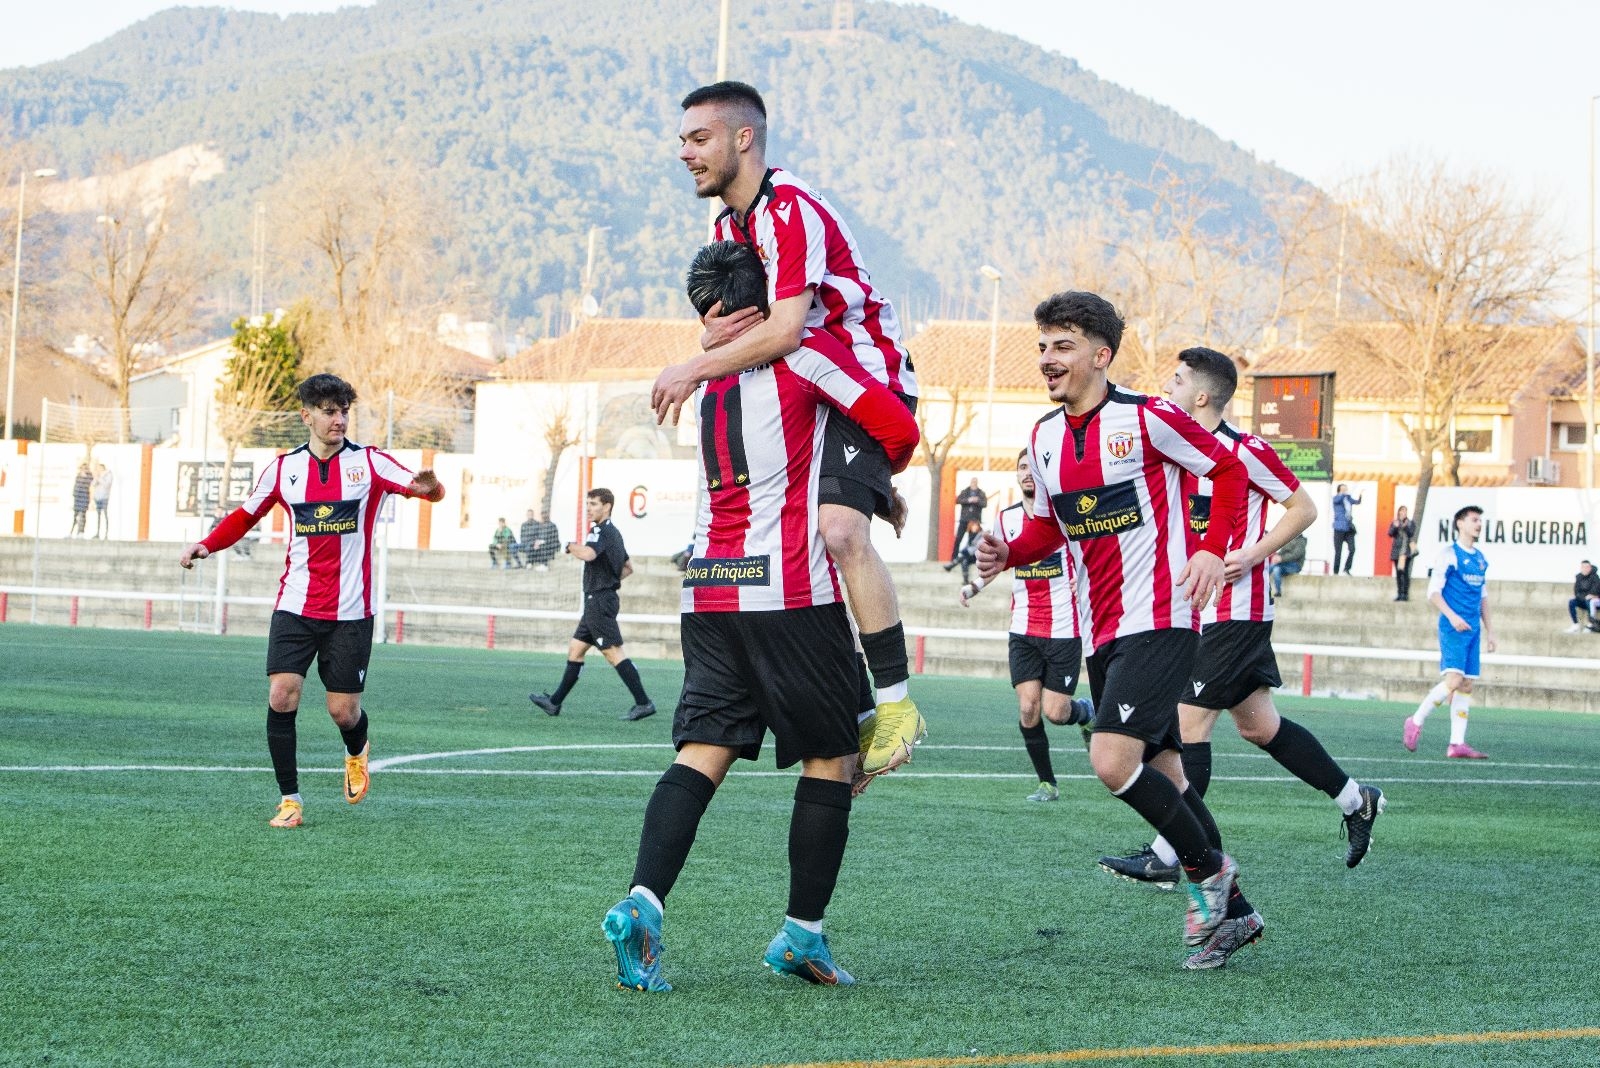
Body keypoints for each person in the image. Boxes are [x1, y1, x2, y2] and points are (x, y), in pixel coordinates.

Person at [603, 239, 919, 992]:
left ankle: (642, 904)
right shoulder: (804, 358)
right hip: (788, 594)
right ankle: (801, 936)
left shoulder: (707, 381)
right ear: (774, 299)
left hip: (709, 587)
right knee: (833, 760)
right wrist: (876, 479)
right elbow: (896, 429)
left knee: (702, 752)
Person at [975, 291, 1260, 971]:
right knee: (1169, 775)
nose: (1048, 358)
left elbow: (1227, 470)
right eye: (1043, 345)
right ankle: (1236, 916)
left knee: (1111, 760)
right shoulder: (1043, 438)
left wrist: (1212, 547)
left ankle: (1208, 876)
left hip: (1159, 614)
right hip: (1103, 628)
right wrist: (1008, 552)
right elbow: (1051, 523)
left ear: (1101, 356)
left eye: (1063, 345)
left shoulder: (1150, 418)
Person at [652, 81, 925, 781]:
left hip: (863, 379)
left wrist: (692, 366)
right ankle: (854, 710)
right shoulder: (725, 230)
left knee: (837, 531)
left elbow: (785, 329)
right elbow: (747, 326)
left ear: (744, 138)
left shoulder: (789, 210)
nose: (684, 152)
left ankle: (895, 709)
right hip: (805, 384)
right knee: (798, 547)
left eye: (699, 138)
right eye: (682, 139)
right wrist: (710, 335)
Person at [1098, 347, 1385, 902]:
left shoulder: (1244, 450)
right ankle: (1356, 800)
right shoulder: (1172, 448)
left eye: (1177, 380)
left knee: (1188, 726)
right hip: (1194, 611)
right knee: (1258, 726)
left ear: (1201, 396)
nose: (1167, 385)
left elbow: (1303, 508)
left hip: (1235, 610)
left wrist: (1252, 554)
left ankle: (1168, 855)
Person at [178, 373, 446, 829]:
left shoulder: (371, 463)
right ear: (306, 416)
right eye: (328, 411)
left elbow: (423, 488)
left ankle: (357, 748)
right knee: (282, 694)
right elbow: (246, 515)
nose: (338, 419)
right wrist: (207, 544)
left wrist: (431, 488)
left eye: (344, 411)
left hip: (350, 612)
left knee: (342, 710)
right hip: (295, 605)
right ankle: (290, 800)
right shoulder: (284, 469)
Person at [958, 449, 1094, 802]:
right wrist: (974, 585)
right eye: (1022, 468)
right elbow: (997, 565)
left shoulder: (1066, 517)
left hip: (1064, 628)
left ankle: (1085, 712)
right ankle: (1047, 783)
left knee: (1056, 712)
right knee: (1028, 708)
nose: (1027, 473)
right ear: (1016, 476)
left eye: (1033, 468)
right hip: (1023, 628)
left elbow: (1089, 558)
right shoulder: (1005, 519)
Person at [529, 489, 657, 721]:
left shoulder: (600, 531)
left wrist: (569, 546)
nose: (589, 508)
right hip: (599, 600)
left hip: (598, 601)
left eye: (594, 504)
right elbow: (627, 568)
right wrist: (609, 580)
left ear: (607, 506)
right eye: (587, 504)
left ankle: (644, 703)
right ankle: (554, 703)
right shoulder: (614, 533)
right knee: (576, 649)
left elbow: (589, 554)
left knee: (612, 652)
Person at [1403, 505, 1494, 760]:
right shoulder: (1449, 555)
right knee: (1453, 680)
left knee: (1466, 684)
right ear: (1460, 524)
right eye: (1474, 520)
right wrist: (1453, 617)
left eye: (1480, 520)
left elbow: (1483, 598)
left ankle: (1456, 743)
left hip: (1473, 630)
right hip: (1453, 627)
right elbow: (1433, 592)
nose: (1478, 524)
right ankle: (1415, 720)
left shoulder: (1480, 559)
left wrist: (1491, 632)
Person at [946, 478, 988, 569]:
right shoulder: (965, 491)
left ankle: (969, 560)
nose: (973, 483)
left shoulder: (981, 493)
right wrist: (969, 500)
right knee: (958, 539)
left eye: (975, 482)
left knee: (972, 541)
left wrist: (977, 501)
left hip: (974, 521)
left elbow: (984, 503)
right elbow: (958, 500)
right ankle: (954, 558)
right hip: (964, 519)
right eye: (972, 482)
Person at [1331, 483, 1362, 575]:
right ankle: (1335, 572)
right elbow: (1338, 499)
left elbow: (1357, 502)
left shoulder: (1348, 499)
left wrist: (1360, 495)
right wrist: (1343, 494)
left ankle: (1347, 569)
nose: (1345, 490)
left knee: (1352, 549)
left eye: (1346, 489)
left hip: (1348, 528)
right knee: (1338, 551)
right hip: (1339, 528)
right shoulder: (1336, 498)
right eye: (1343, 489)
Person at [1388, 506, 1417, 601]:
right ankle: (1399, 593)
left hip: (1406, 551)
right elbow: (1390, 533)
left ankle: (1405, 593)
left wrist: (1405, 527)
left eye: (1405, 511)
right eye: (1402, 511)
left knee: (1405, 572)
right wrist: (1395, 527)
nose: (1403, 513)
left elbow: (1411, 533)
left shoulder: (1410, 523)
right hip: (1397, 551)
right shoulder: (1395, 522)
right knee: (1398, 572)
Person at [1565, 560, 1600, 633]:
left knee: (1590, 601)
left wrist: (1591, 596)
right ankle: (1575, 624)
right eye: (1583, 567)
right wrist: (1583, 597)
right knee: (1572, 601)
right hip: (1582, 599)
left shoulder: (1595, 577)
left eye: (1587, 567)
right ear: (1581, 568)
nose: (1585, 569)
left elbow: (1595, 591)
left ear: (1590, 568)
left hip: (1591, 601)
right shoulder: (1578, 577)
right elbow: (1576, 591)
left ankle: (1590, 624)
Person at [1268, 534, 1306, 598]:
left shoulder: (1301, 541)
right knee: (1276, 569)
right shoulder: (1289, 539)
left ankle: (1260, 581)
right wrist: (1276, 557)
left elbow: (1295, 555)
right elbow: (1282, 552)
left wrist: (1281, 559)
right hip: (1285, 564)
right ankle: (1278, 592)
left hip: (1295, 566)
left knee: (1274, 567)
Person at [950, 518, 984, 584]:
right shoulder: (970, 535)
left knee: (964, 556)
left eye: (976, 525)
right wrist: (964, 551)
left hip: (977, 556)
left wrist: (965, 551)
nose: (974, 527)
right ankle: (965, 580)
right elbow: (967, 546)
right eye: (973, 525)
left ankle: (952, 564)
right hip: (970, 556)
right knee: (964, 561)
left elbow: (978, 547)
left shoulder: (981, 535)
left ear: (979, 526)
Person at [69, 463, 92, 537]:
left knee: (83, 515)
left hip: (84, 498)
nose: (83, 470)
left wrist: (84, 477)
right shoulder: (78, 476)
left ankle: (81, 532)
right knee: (75, 515)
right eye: (82, 468)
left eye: (85, 468)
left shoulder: (89, 476)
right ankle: (72, 531)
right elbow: (75, 486)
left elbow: (88, 484)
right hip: (77, 498)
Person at [91, 463, 113, 539]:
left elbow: (107, 485)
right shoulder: (99, 476)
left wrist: (100, 479)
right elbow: (93, 484)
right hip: (98, 497)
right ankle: (98, 533)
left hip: (104, 497)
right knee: (98, 516)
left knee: (105, 515)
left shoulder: (108, 475)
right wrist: (96, 478)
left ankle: (106, 533)